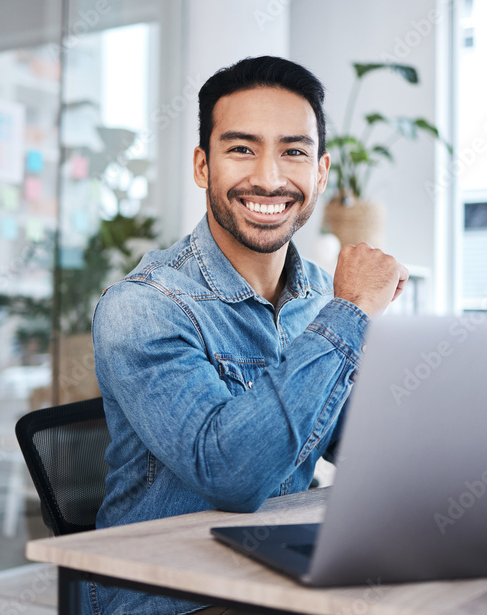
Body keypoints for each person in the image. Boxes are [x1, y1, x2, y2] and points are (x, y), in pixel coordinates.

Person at [89, 55, 409, 615]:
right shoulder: (142, 308)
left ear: (321, 172)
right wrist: (351, 313)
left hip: (280, 577)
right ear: (202, 166)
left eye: (293, 151)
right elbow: (233, 474)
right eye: (242, 149)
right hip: (172, 598)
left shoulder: (317, 296)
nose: (269, 177)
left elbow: (364, 448)